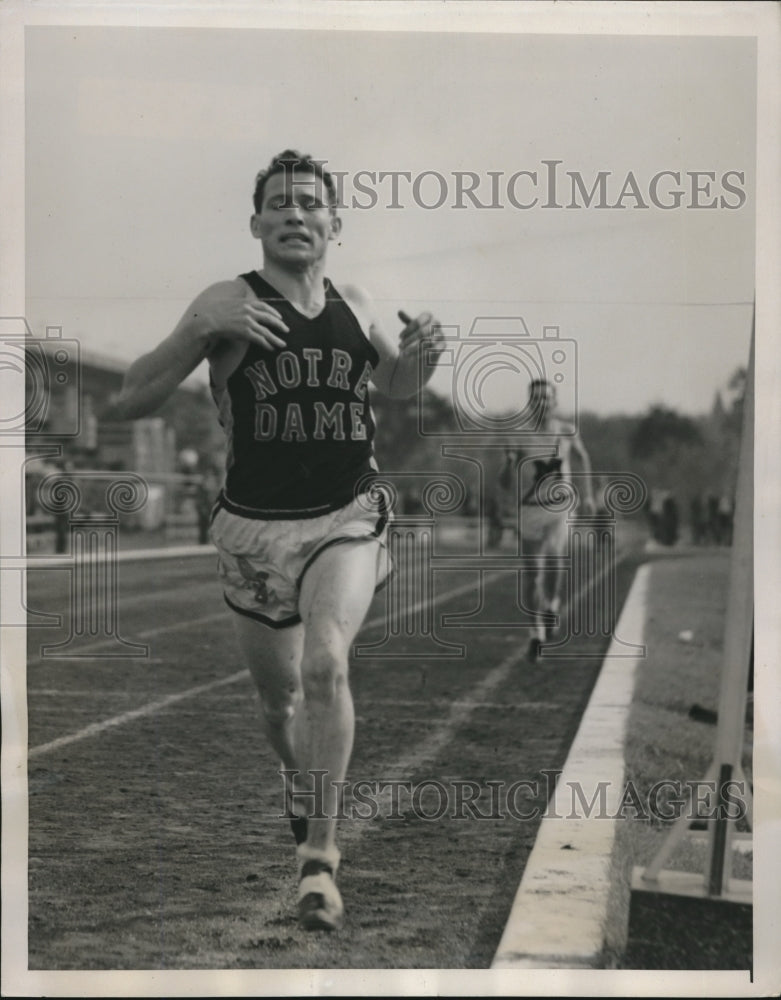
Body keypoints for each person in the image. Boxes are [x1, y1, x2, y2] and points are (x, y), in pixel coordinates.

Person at [103, 150, 444, 931]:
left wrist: (422, 356)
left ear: (334, 223)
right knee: (277, 697)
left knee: (326, 662)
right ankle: (300, 779)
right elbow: (128, 399)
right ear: (256, 222)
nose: (295, 213)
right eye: (280, 203)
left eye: (310, 202)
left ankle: (318, 863)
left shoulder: (354, 306)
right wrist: (198, 329)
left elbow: (394, 386)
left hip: (345, 515)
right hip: (254, 530)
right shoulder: (226, 301)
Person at [499, 379, 594, 662]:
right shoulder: (518, 434)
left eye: (546, 398)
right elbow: (504, 481)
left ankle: (551, 605)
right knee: (532, 574)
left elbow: (582, 458)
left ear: (554, 401)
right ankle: (536, 633)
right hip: (530, 508)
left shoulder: (566, 430)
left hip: (560, 507)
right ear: (530, 403)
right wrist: (507, 464)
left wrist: (588, 495)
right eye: (536, 398)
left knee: (553, 560)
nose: (541, 403)